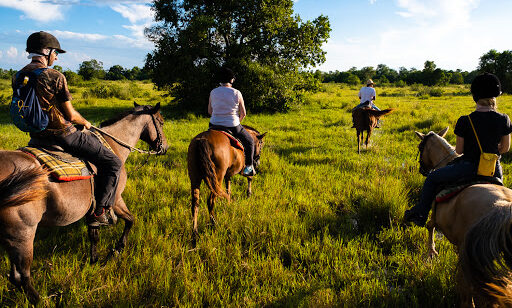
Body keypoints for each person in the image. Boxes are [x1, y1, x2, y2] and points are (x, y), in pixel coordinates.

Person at [16, 31, 121, 227]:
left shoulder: (19, 75)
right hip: (64, 136)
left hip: (36, 137)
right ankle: (100, 213)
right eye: (55, 53)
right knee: (113, 162)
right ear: (46, 52)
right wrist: (84, 122)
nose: (56, 57)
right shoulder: (55, 76)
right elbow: (71, 115)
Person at [404, 73, 512, 227]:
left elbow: (460, 151)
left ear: (475, 96)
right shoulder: (504, 119)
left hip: (468, 167)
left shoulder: (465, 120)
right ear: (495, 96)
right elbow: (505, 148)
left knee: (432, 178)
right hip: (493, 170)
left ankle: (421, 215)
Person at [208, 67, 255, 176]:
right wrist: (237, 121)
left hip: (214, 125)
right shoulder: (237, 93)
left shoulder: (213, 92)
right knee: (250, 141)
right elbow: (243, 113)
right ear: (232, 80)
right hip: (232, 125)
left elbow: (210, 111)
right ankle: (249, 167)